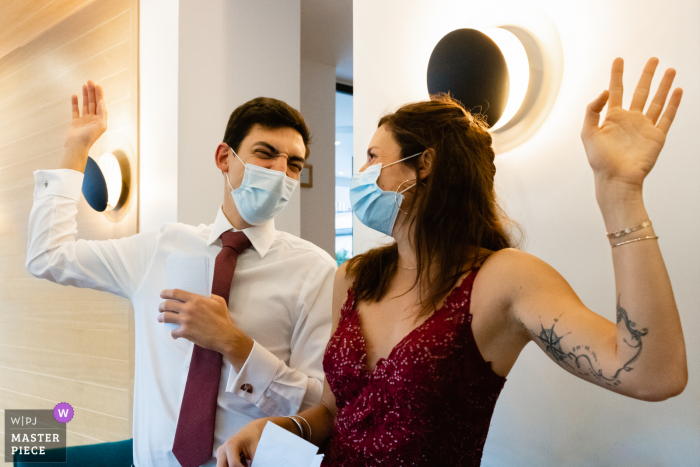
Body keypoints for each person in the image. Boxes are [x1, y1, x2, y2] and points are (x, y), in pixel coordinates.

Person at [216, 57, 688, 467]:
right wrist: (284, 428)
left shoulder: (502, 279)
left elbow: (653, 373)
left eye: (373, 158)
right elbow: (338, 411)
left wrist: (620, 192)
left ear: (425, 165)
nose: (361, 175)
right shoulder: (356, 277)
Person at [25, 84, 337, 466]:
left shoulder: (315, 271)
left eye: (294, 164)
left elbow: (321, 407)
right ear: (224, 157)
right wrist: (75, 150)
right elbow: (48, 255)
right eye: (265, 154)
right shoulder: (159, 248)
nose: (280, 172)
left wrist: (234, 344)